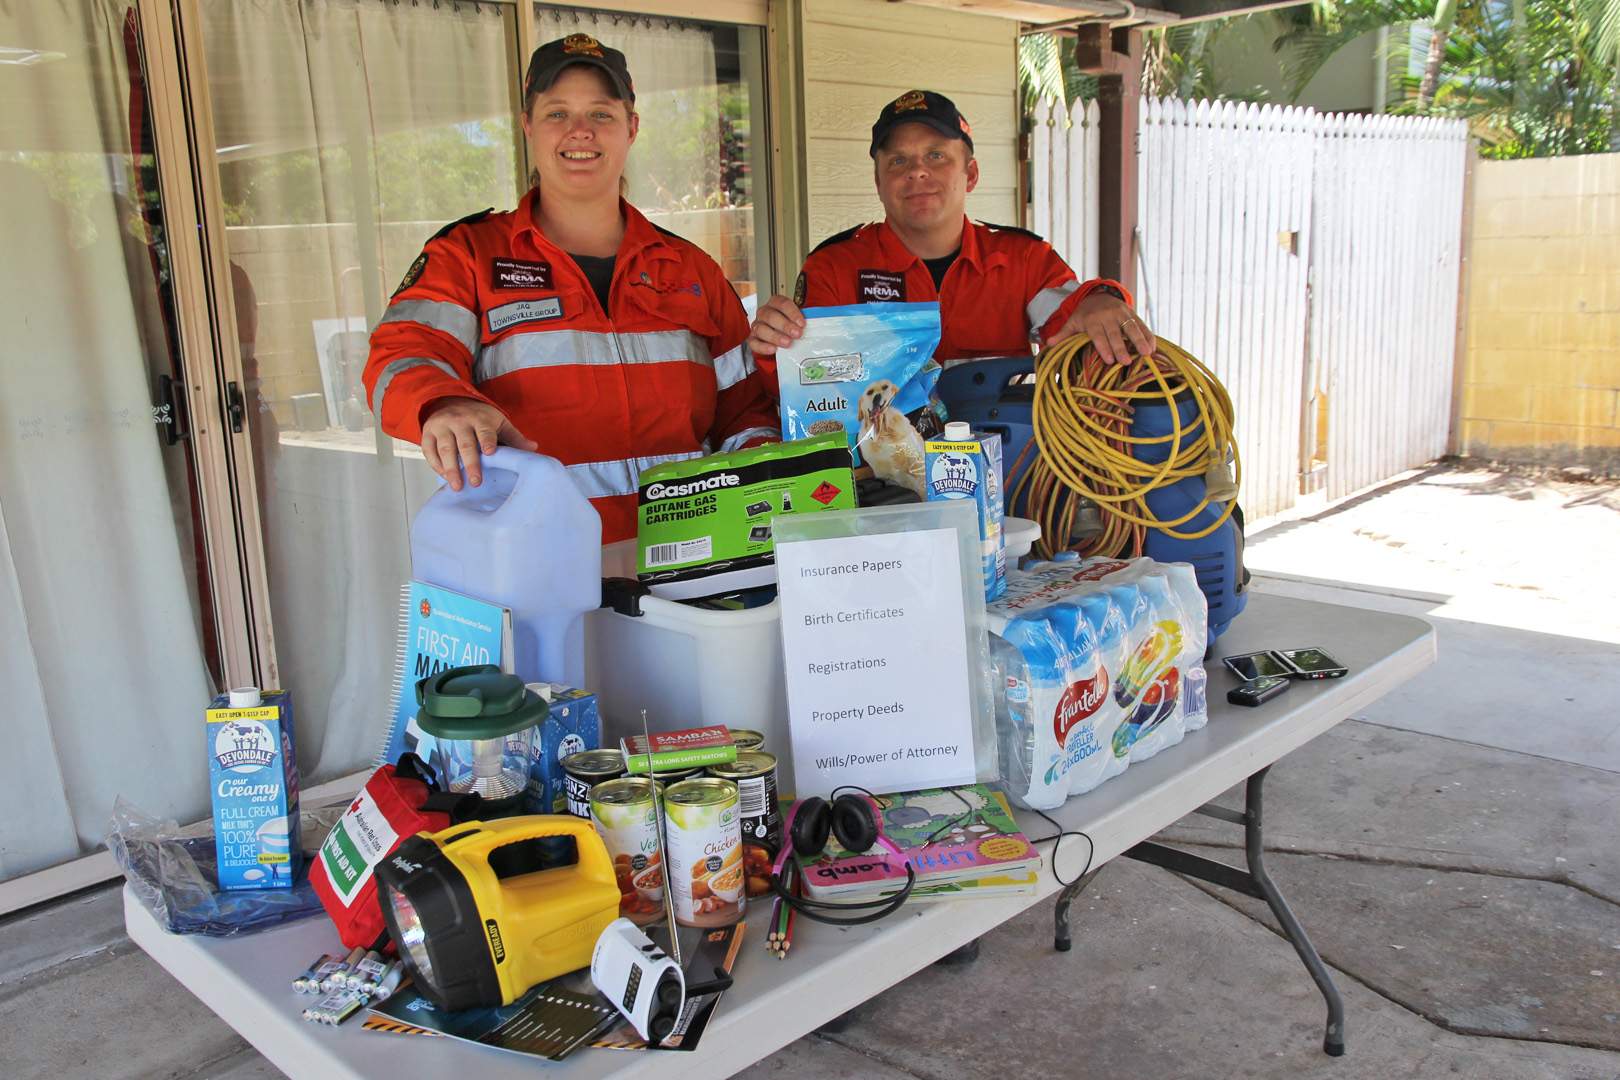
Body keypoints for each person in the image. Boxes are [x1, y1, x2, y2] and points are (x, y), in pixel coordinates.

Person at [364, 34, 778, 544]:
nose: (580, 131)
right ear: (528, 127)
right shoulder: (467, 255)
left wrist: (759, 456)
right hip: (539, 563)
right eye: (557, 112)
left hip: (688, 563)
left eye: (601, 114)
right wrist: (443, 404)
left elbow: (743, 410)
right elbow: (400, 356)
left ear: (631, 128)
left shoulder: (692, 269)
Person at [747, 89, 1155, 372]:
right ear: (878, 181)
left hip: (1007, 476)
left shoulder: (1022, 259)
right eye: (898, 162)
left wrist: (1099, 302)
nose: (918, 171)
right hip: (878, 486)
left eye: (936, 155)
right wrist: (773, 349)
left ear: (971, 173)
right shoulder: (834, 267)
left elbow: (1071, 319)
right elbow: (802, 386)